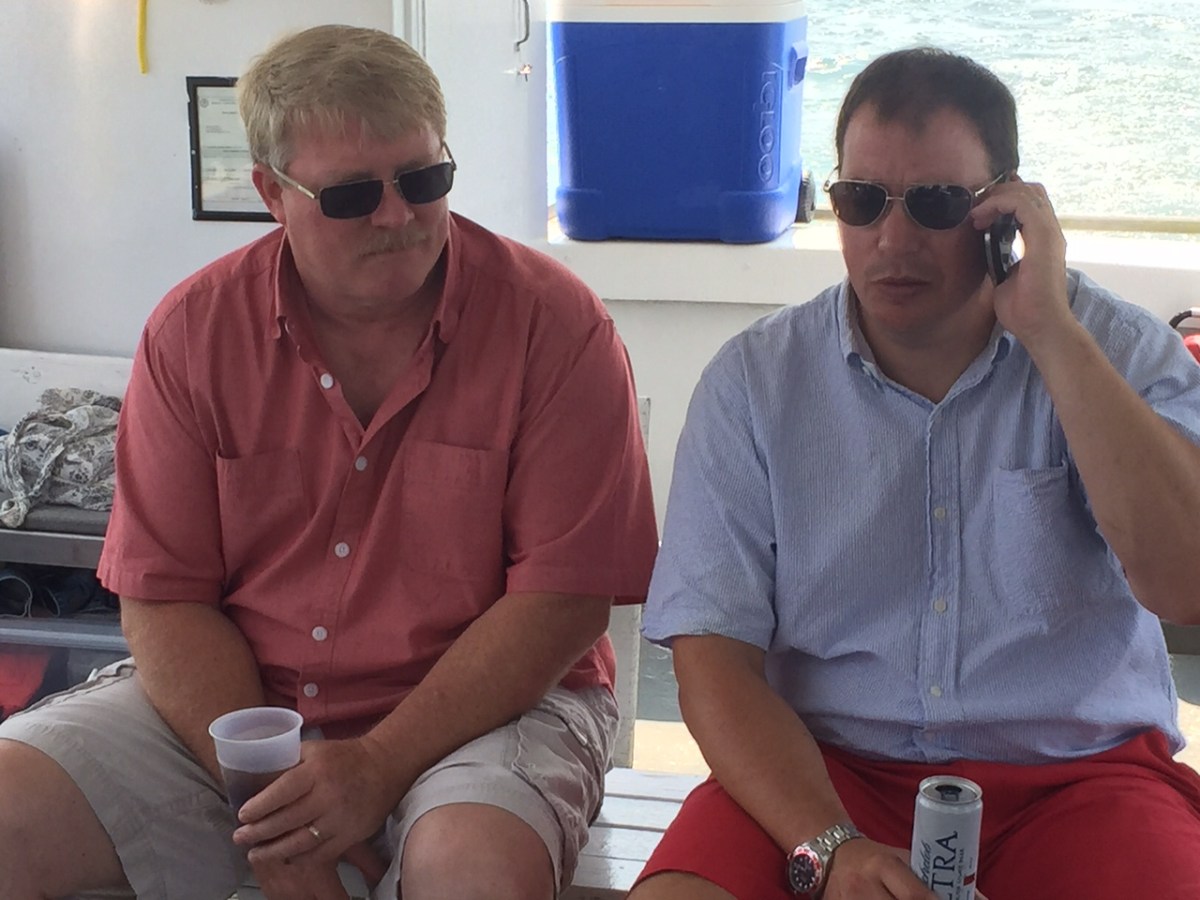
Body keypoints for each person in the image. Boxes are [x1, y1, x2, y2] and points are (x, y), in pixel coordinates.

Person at [0, 24, 657, 900]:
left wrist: (375, 765)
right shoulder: (192, 335)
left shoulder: (557, 326)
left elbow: (566, 601)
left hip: (494, 708)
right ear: (272, 192)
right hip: (239, 711)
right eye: (352, 196)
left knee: (471, 871)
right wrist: (275, 800)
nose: (398, 216)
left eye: (425, 181)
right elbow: (165, 600)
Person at [629, 46, 1200, 900]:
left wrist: (1049, 331)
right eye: (860, 201)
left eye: (936, 204)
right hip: (822, 774)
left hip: (1079, 779)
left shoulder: (1113, 351)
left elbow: (1185, 581)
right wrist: (830, 845)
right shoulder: (755, 381)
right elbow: (712, 660)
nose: (891, 240)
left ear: (1007, 212)